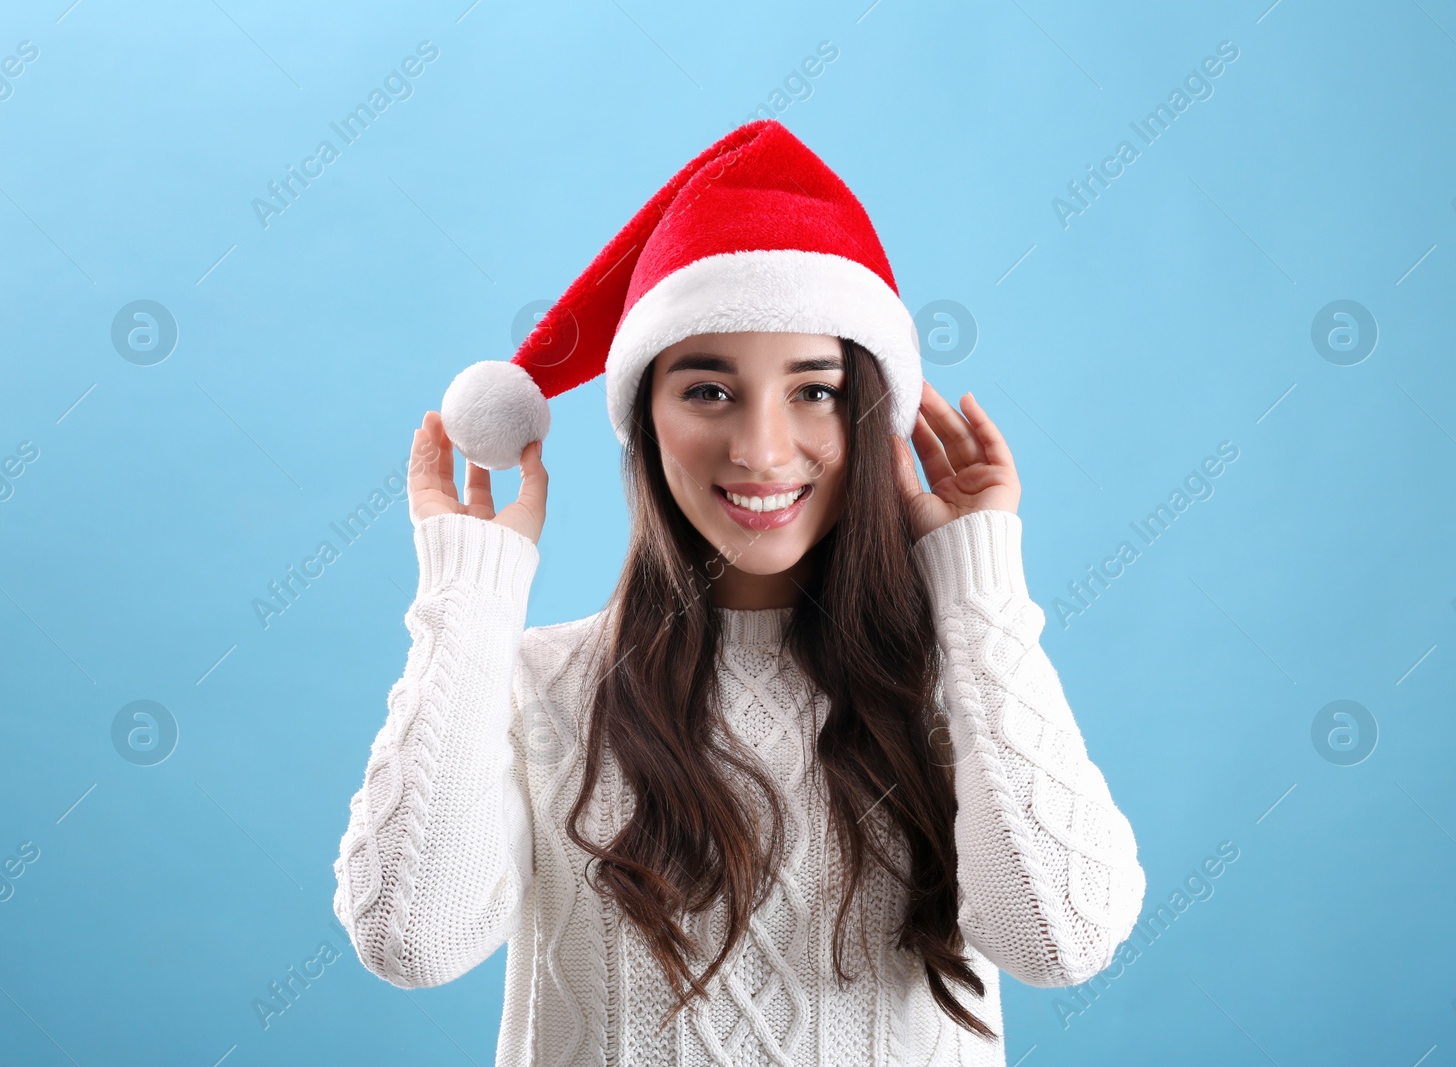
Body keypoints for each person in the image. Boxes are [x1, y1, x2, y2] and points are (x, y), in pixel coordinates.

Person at [333, 120, 1145, 1065]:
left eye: (817, 391)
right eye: (710, 391)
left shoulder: (956, 680)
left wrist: (980, 590)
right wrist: (468, 605)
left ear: (876, 411)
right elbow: (409, 939)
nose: (762, 449)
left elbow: (1061, 937)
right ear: (645, 420)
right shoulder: (533, 686)